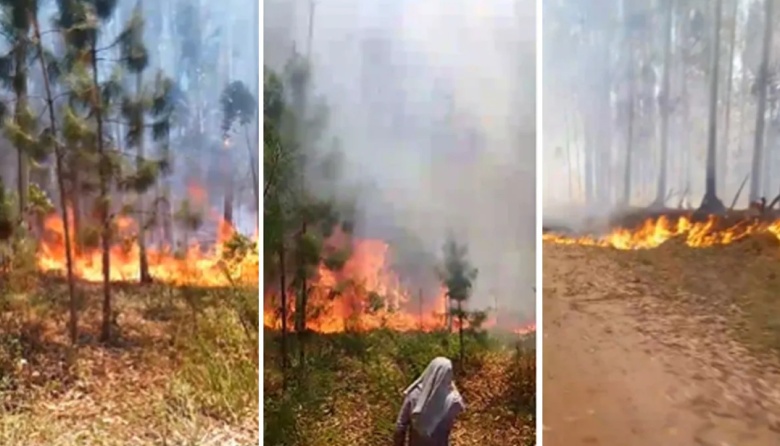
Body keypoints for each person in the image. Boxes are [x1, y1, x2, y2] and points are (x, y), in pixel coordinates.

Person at [394, 357, 465, 446]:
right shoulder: (453, 400)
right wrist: (452, 385)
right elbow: (461, 406)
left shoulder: (414, 394)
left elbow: (400, 426)